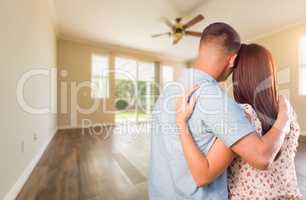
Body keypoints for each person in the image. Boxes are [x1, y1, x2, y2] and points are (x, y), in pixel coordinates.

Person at [149, 22, 290, 200]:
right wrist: (284, 118)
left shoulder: (169, 91)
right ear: (232, 59)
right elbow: (262, 158)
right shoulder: (215, 99)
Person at [175, 43, 302, 199]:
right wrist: (283, 118)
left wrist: (181, 122)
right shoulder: (286, 109)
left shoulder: (242, 115)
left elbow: (203, 174)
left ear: (239, 76)